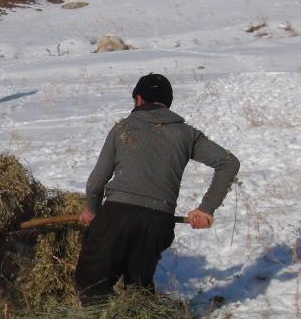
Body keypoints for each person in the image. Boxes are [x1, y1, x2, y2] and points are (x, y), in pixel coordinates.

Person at [74, 73, 240, 306]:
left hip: (117, 215)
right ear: (167, 103)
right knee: (138, 286)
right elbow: (229, 162)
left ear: (139, 100)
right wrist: (206, 208)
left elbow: (96, 181)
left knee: (91, 282)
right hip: (158, 222)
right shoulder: (187, 134)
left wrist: (91, 209)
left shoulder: (123, 128)